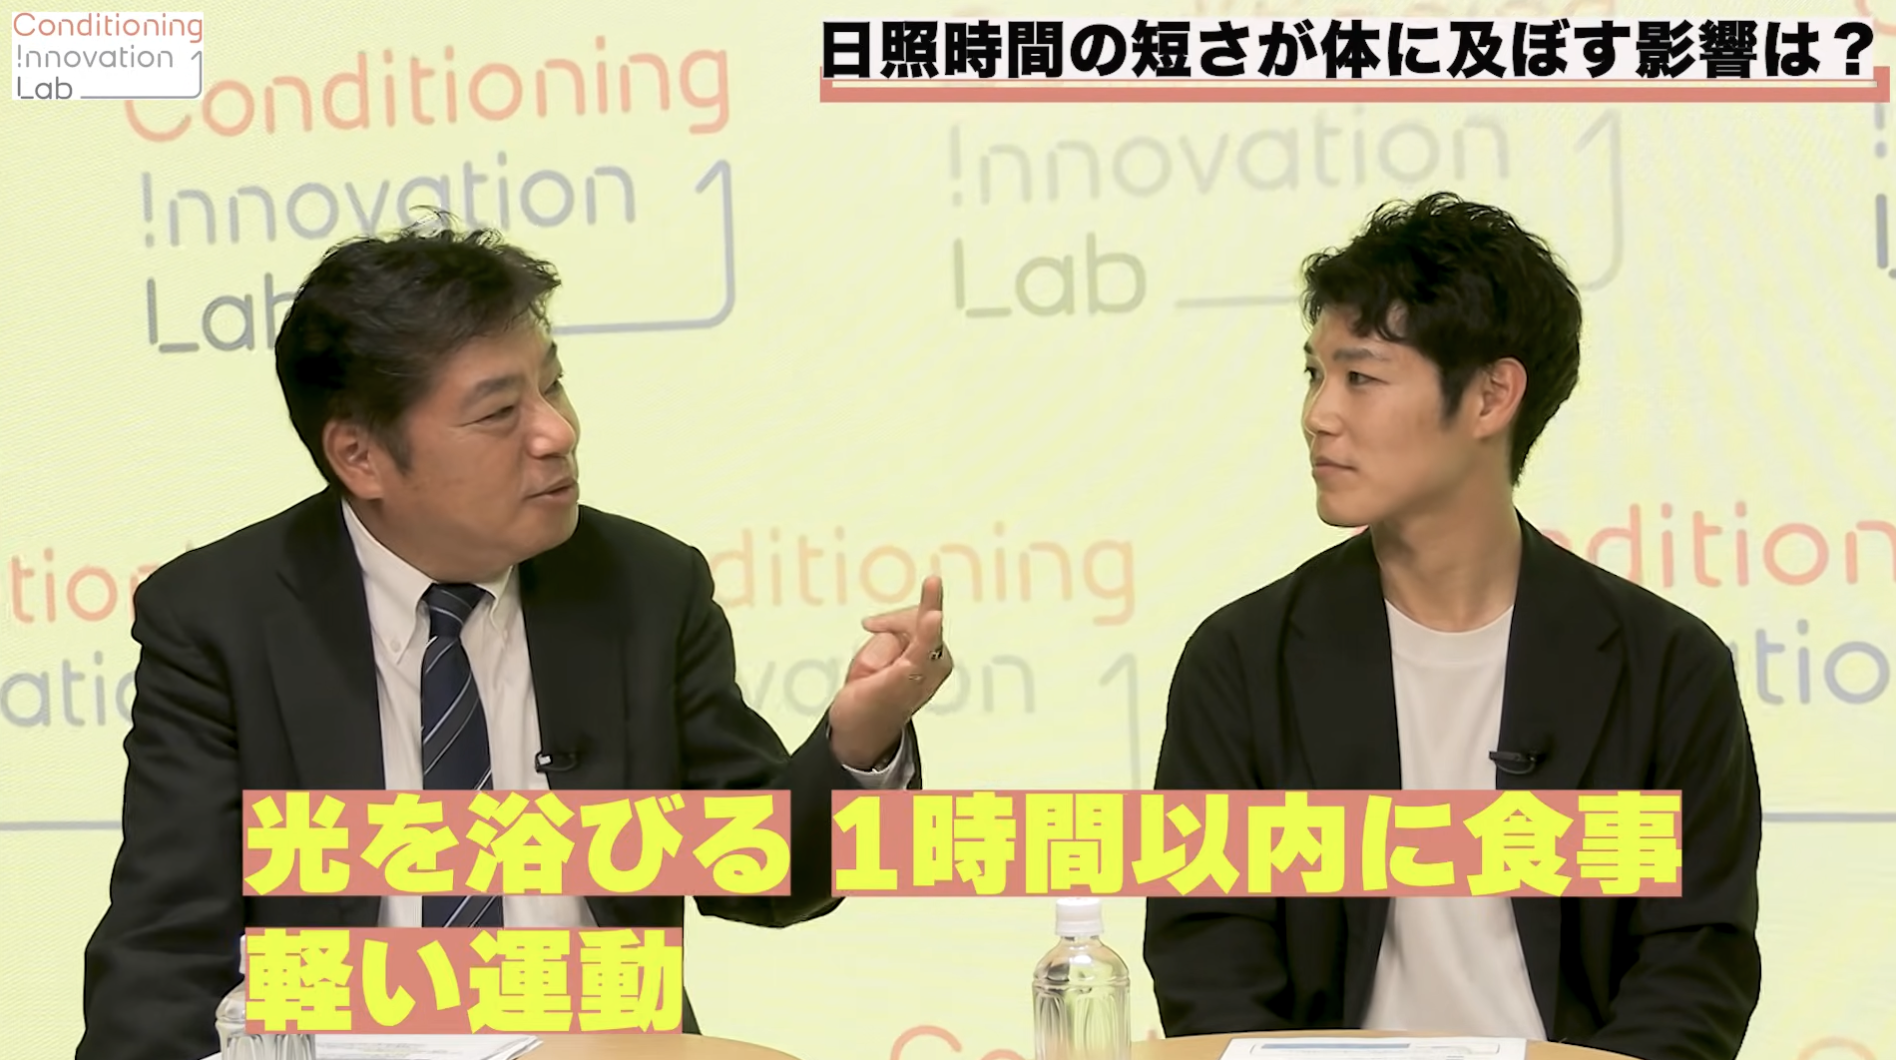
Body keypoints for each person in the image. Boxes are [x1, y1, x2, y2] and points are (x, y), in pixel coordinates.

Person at [76, 217, 949, 1060]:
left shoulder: (644, 587)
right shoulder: (221, 619)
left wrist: (858, 745)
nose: (557, 432)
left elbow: (762, 874)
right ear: (361, 457)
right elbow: (163, 949)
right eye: (499, 413)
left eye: (553, 385)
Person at [1141, 193, 1762, 1060]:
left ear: (1491, 396)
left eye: (1361, 378)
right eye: (1315, 375)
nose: (1319, 413)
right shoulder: (1242, 661)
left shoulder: (1666, 667)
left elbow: (1695, 965)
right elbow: (1209, 957)